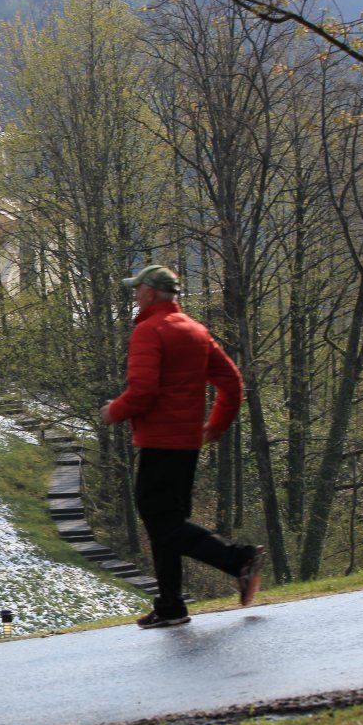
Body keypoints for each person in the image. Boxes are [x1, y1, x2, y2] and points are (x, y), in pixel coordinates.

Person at [100, 265, 264, 628]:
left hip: (159, 442)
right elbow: (232, 382)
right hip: (188, 444)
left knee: (163, 523)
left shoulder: (149, 331)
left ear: (149, 292)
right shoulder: (195, 330)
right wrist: (217, 425)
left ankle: (239, 558)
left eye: (137, 289)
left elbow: (143, 392)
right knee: (168, 524)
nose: (134, 295)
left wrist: (114, 411)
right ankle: (171, 605)